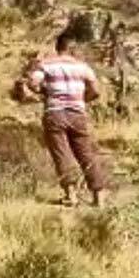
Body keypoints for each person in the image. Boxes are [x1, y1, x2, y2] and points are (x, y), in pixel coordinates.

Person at [14, 31, 109, 207]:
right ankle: (98, 196)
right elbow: (96, 91)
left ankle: (71, 196)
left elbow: (33, 83)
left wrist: (44, 92)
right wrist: (82, 99)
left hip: (55, 113)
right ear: (72, 48)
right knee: (86, 154)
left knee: (61, 154)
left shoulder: (47, 64)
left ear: (57, 47)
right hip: (77, 113)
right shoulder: (82, 67)